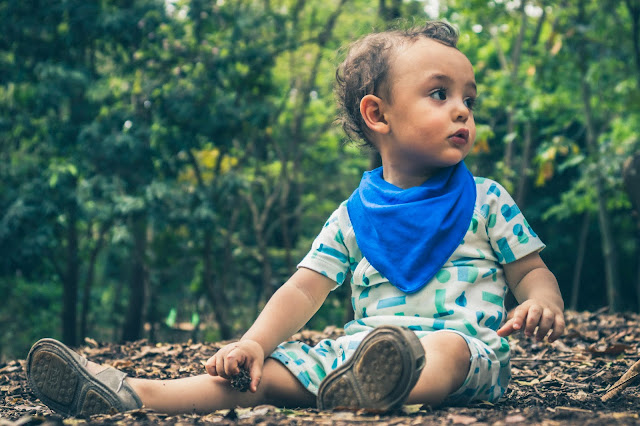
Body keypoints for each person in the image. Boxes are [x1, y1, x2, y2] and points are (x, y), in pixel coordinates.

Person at [26, 20, 565, 417]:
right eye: (440, 94)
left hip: (467, 356)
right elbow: (302, 292)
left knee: (439, 351)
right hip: (363, 355)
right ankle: (134, 394)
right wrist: (254, 344)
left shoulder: (487, 199)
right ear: (378, 115)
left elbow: (529, 272)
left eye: (468, 98)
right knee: (263, 373)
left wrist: (543, 302)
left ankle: (379, 383)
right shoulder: (354, 218)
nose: (462, 110)